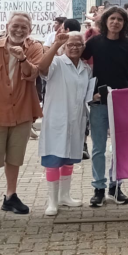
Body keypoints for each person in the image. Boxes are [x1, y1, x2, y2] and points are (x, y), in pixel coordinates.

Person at [0, 12, 43, 221]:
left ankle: (11, 195)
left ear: (30, 30)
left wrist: (22, 58)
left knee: (15, 158)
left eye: (24, 27)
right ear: (7, 26)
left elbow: (32, 74)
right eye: (15, 26)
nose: (19, 30)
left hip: (22, 111)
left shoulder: (34, 48)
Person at [82, 7, 128, 207]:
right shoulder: (94, 42)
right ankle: (98, 188)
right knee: (98, 148)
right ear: (105, 21)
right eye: (112, 18)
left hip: (122, 102)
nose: (115, 22)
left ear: (124, 23)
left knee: (120, 148)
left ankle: (116, 187)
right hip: (98, 101)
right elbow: (78, 60)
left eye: (120, 19)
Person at [38, 32, 92, 215]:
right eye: (70, 44)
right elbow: (41, 68)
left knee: (69, 159)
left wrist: (94, 96)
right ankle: (52, 201)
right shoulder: (56, 62)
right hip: (56, 119)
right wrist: (55, 45)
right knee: (53, 159)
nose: (74, 47)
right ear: (64, 46)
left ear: (83, 47)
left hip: (76, 120)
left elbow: (85, 93)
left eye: (78, 44)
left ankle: (65, 196)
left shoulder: (86, 68)